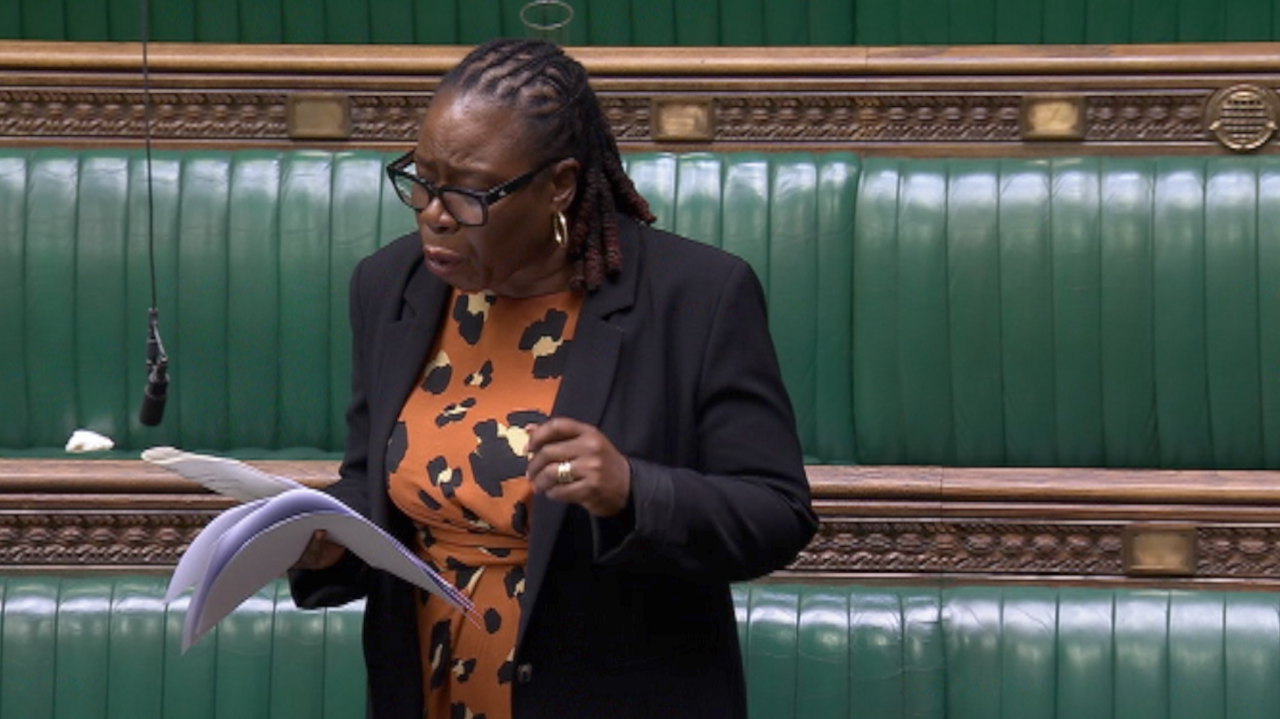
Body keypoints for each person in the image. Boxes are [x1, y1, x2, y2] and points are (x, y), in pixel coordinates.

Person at [289, 38, 817, 719]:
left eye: (469, 191)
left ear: (559, 185)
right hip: (426, 683)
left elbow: (778, 512)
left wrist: (633, 489)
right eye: (421, 177)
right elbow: (372, 480)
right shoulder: (392, 285)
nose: (434, 212)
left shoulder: (698, 295)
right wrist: (324, 536)